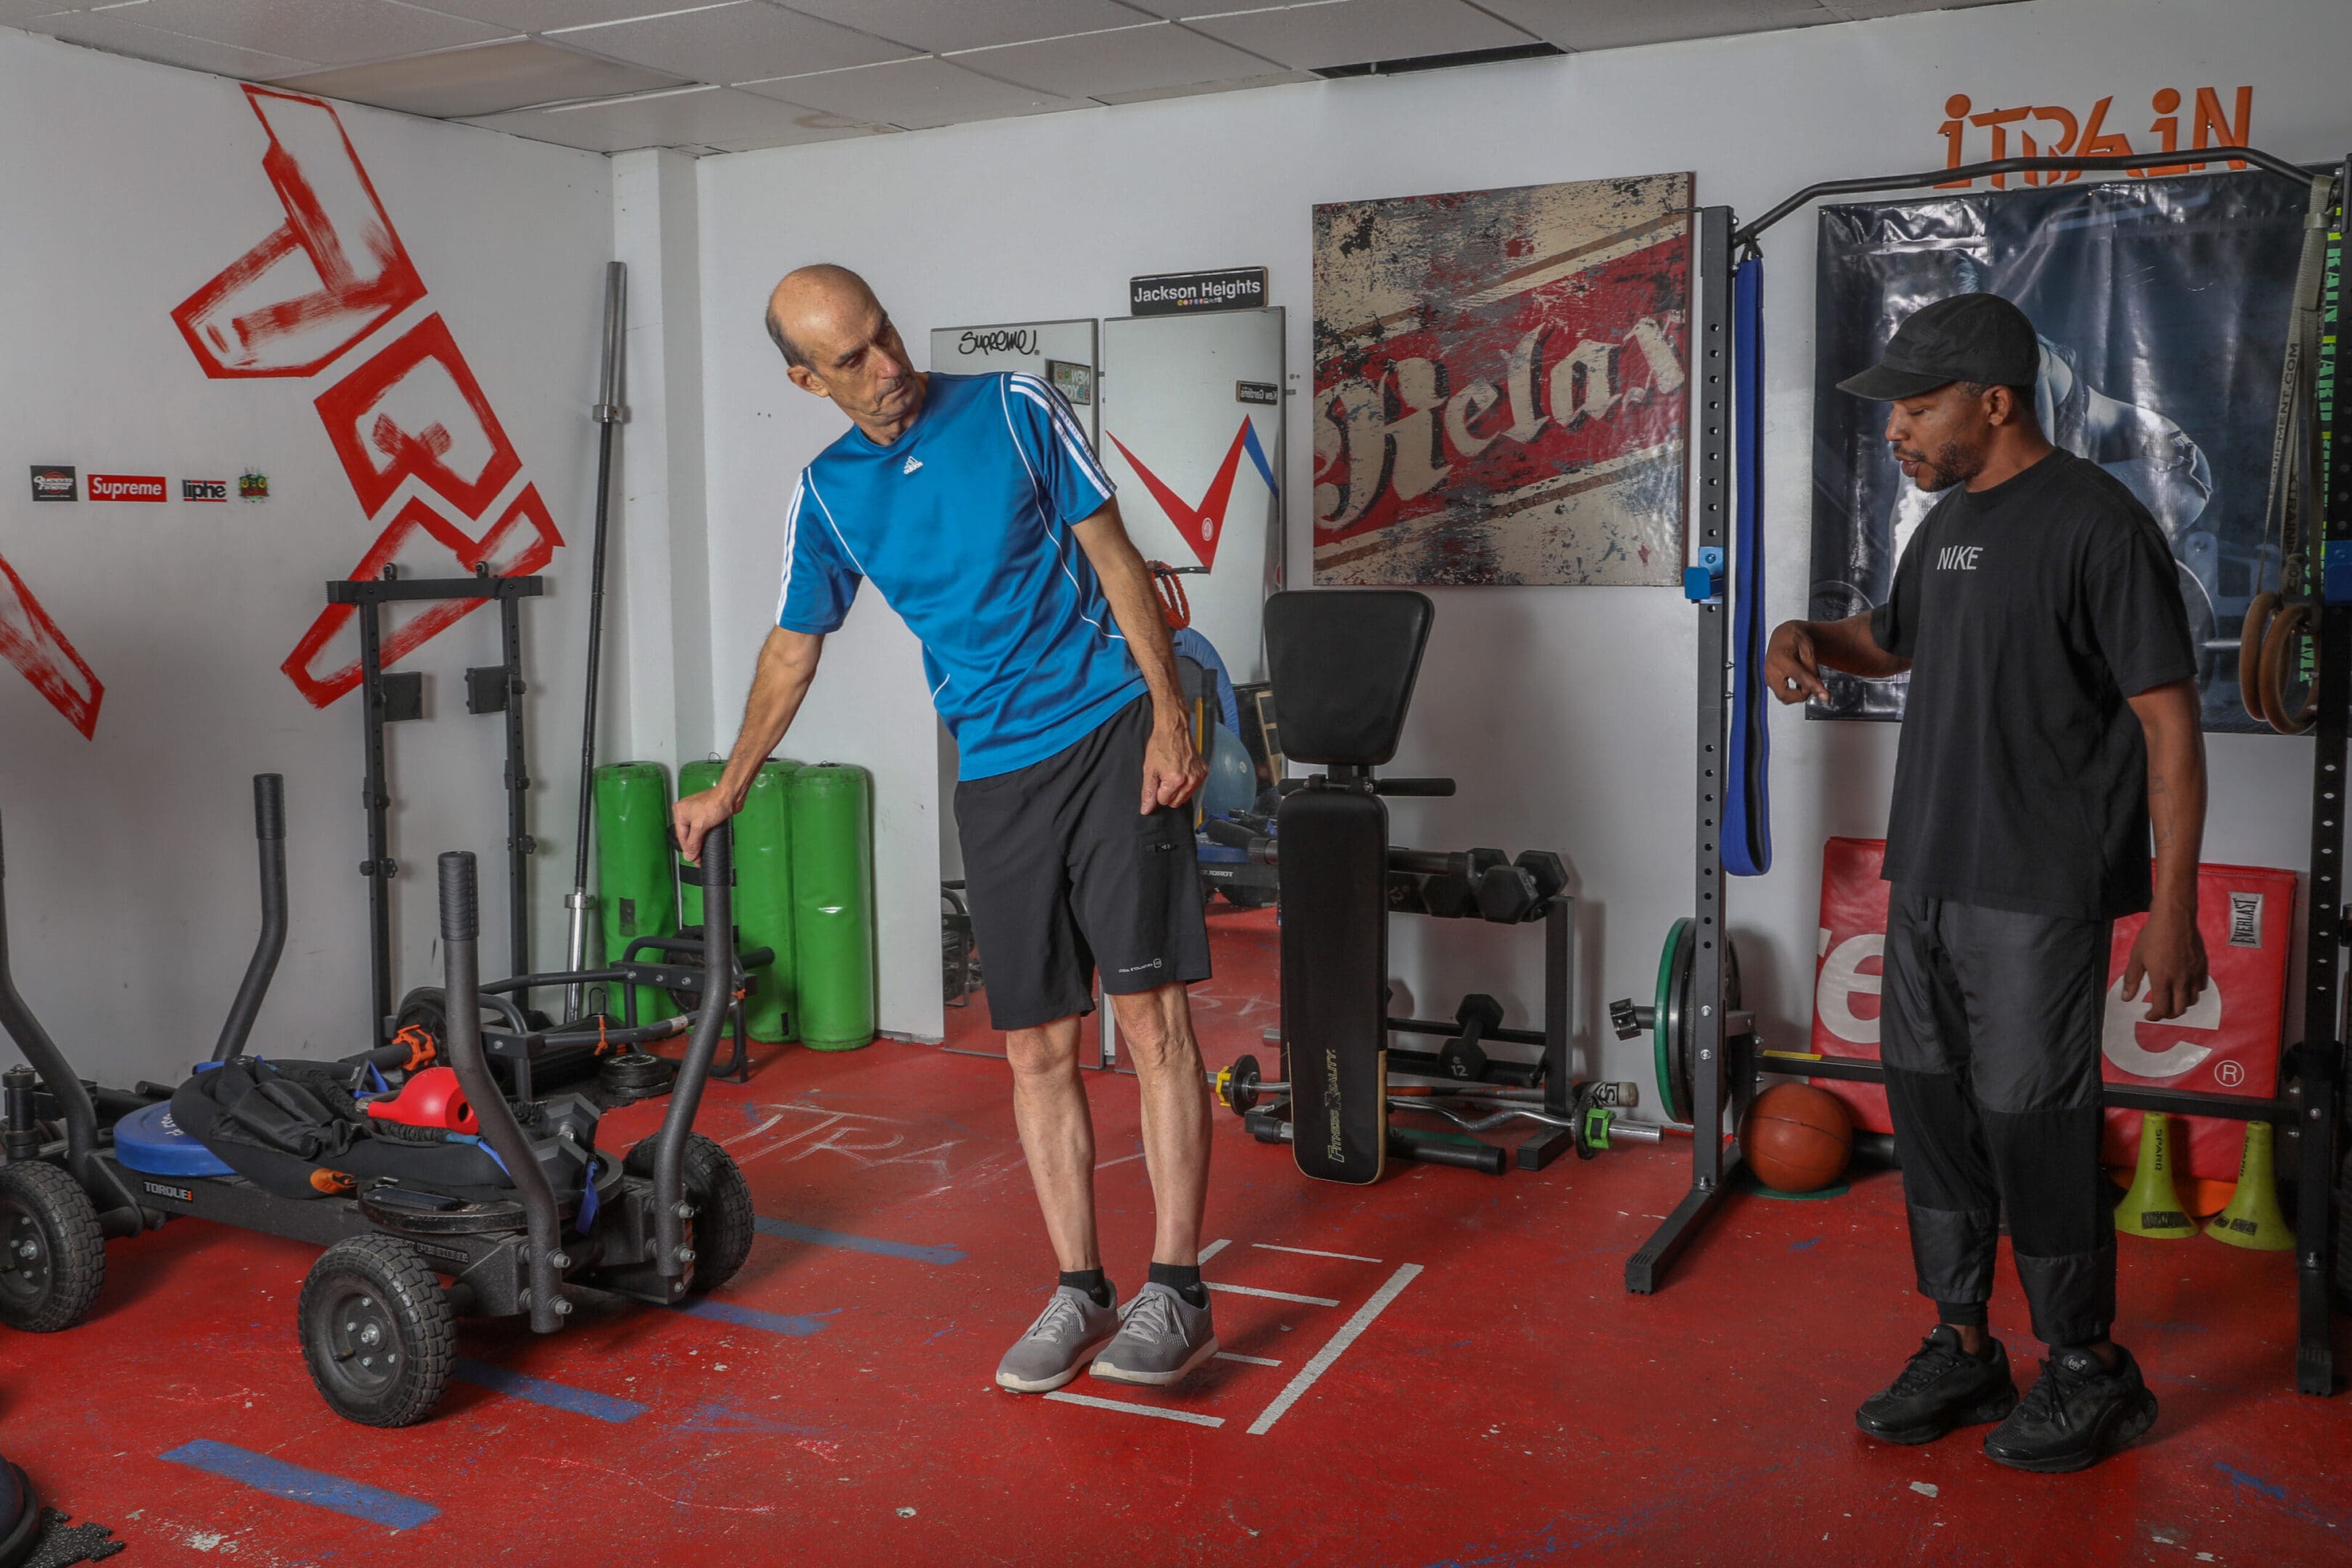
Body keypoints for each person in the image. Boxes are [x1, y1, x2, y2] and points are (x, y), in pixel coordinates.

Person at [671, 265, 1220, 1395]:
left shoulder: (1014, 406)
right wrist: (729, 784)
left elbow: (1117, 561)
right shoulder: (826, 495)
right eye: (853, 359)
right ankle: (1081, 1288)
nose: (888, 370)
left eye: (885, 337)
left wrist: (1170, 713)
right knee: (1034, 1046)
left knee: (1150, 1016)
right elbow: (792, 650)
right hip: (1000, 774)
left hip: (1112, 731)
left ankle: (1177, 1285)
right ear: (803, 376)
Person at [1765, 291, 2209, 1474]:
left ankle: (2089, 1365)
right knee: (1933, 1112)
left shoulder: (2098, 525)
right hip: (1931, 875)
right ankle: (1964, 1341)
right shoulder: (1947, 524)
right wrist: (1804, 635)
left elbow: (2171, 727)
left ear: (1995, 402)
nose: (1899, 430)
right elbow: (1896, 636)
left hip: (2039, 885)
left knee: (2034, 1127)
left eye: (1919, 407)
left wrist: (2175, 910)